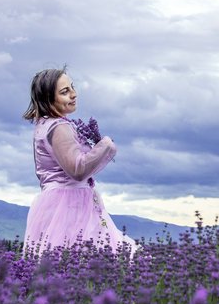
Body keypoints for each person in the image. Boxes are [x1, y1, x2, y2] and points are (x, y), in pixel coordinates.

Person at [22, 66, 137, 256]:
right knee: (98, 260)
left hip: (54, 204)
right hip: (70, 205)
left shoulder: (43, 125)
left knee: (60, 266)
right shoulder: (59, 127)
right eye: (64, 92)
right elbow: (77, 168)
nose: (73, 94)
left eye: (72, 87)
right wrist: (105, 146)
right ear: (49, 99)